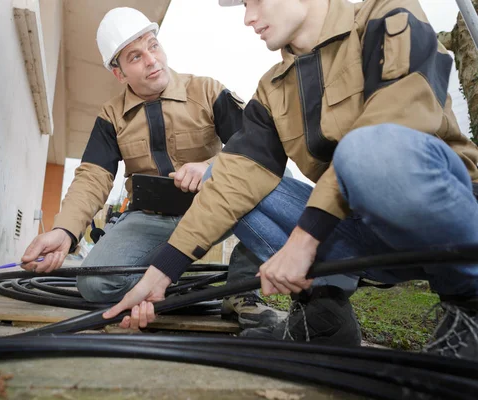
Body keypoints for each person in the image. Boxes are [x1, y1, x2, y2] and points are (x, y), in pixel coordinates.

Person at [104, 0, 478, 360]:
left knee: (365, 148)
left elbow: (392, 129)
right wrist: (160, 276)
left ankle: (470, 306)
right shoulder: (272, 89)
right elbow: (234, 181)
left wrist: (303, 241)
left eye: (255, 1)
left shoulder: (387, 15)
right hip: (357, 233)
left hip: (443, 221)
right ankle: (324, 313)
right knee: (225, 178)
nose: (248, 18)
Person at [21, 7, 284, 330]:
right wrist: (64, 231)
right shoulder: (111, 116)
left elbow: (255, 150)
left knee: (269, 192)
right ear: (119, 73)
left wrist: (212, 167)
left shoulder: (207, 91)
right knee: (93, 284)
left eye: (153, 45)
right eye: (135, 56)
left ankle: (241, 290)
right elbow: (92, 177)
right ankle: (172, 286)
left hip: (214, 210)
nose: (151, 60)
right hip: (149, 218)